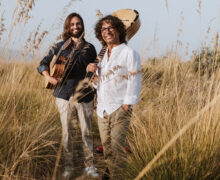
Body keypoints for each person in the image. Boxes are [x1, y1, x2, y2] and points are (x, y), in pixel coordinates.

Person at [37, 12, 99, 179]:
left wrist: (93, 73)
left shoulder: (90, 48)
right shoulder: (59, 46)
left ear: (82, 26)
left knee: (86, 132)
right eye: (72, 24)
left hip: (85, 96)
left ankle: (89, 166)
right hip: (63, 95)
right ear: (68, 27)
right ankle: (69, 166)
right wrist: (48, 77)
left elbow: (96, 75)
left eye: (78, 24)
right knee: (67, 133)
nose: (75, 26)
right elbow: (42, 64)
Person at [87, 15, 142, 179]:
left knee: (117, 149)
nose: (107, 31)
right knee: (107, 149)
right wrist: (92, 74)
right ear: (100, 34)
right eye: (103, 29)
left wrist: (127, 104)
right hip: (102, 109)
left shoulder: (129, 53)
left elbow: (135, 79)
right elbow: (100, 83)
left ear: (119, 30)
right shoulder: (102, 55)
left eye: (111, 27)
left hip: (119, 108)